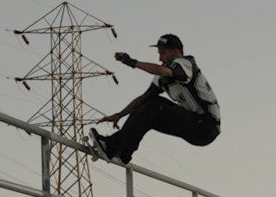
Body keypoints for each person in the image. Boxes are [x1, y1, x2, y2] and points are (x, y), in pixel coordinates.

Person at [87, 34, 221, 166]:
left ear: (175, 51)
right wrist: (119, 115)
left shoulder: (186, 64)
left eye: (162, 53)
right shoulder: (161, 78)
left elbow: (160, 70)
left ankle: (110, 146)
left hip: (206, 127)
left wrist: (132, 62)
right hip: (193, 122)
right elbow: (142, 99)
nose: (160, 58)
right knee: (148, 103)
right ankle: (124, 153)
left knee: (153, 108)